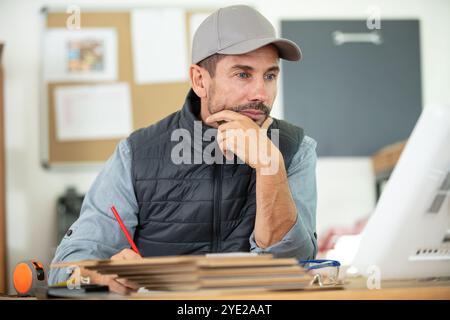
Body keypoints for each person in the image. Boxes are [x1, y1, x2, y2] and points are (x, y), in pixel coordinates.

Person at [49, 5, 318, 294]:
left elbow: (294, 264)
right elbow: (65, 269)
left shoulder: (295, 149)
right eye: (243, 75)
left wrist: (269, 166)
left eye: (270, 76)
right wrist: (100, 275)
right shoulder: (135, 153)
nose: (260, 94)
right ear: (200, 80)